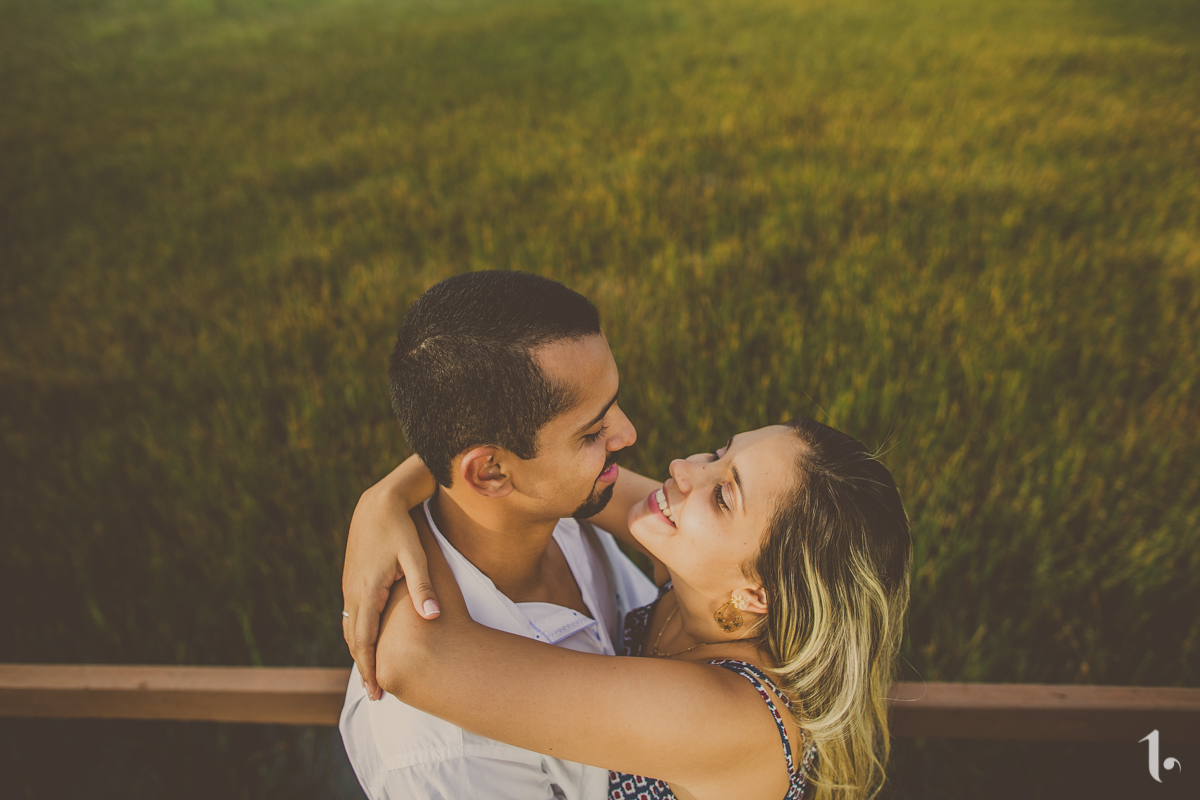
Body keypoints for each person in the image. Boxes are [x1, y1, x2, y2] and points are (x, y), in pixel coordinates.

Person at [347, 418, 912, 800]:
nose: (684, 469)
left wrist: (400, 513)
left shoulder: (726, 716)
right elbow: (571, 479)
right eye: (719, 454)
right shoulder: (710, 583)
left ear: (755, 593)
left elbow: (413, 660)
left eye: (723, 494)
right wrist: (390, 494)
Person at [339, 271, 660, 800]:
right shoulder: (446, 757)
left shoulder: (562, 500)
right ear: (490, 473)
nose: (626, 434)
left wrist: (386, 494)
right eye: (591, 431)